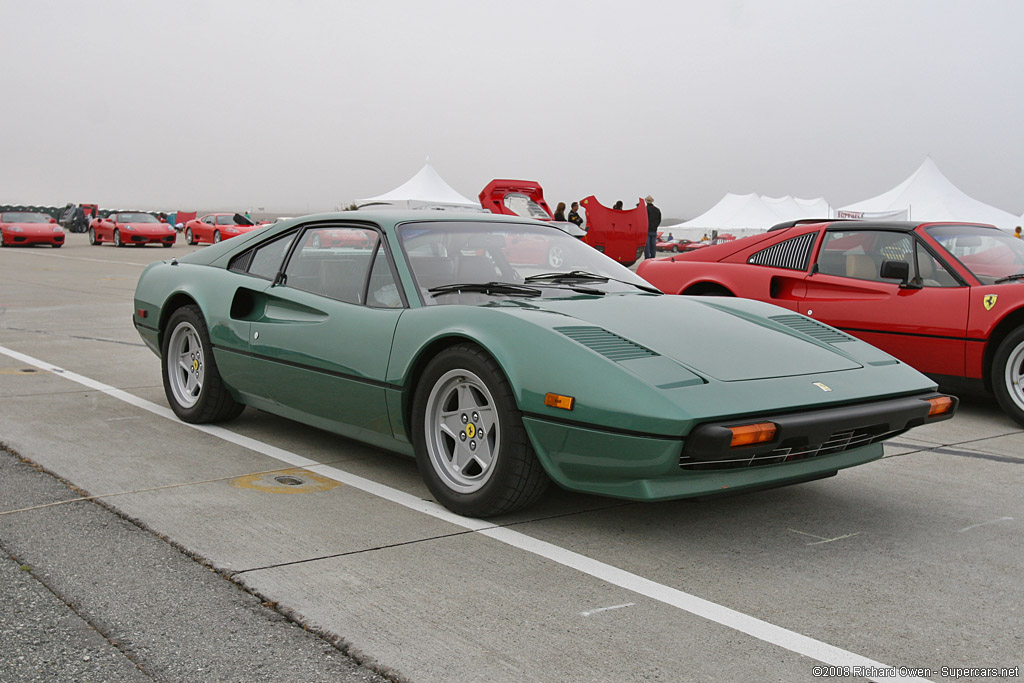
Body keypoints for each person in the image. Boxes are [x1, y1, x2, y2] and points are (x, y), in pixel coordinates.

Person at [644, 195, 661, 259]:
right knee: (653, 245)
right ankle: (653, 257)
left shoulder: (645, 209)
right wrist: (655, 226)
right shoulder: (657, 210)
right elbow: (659, 220)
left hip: (647, 230)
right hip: (654, 230)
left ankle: (647, 258)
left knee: (647, 246)